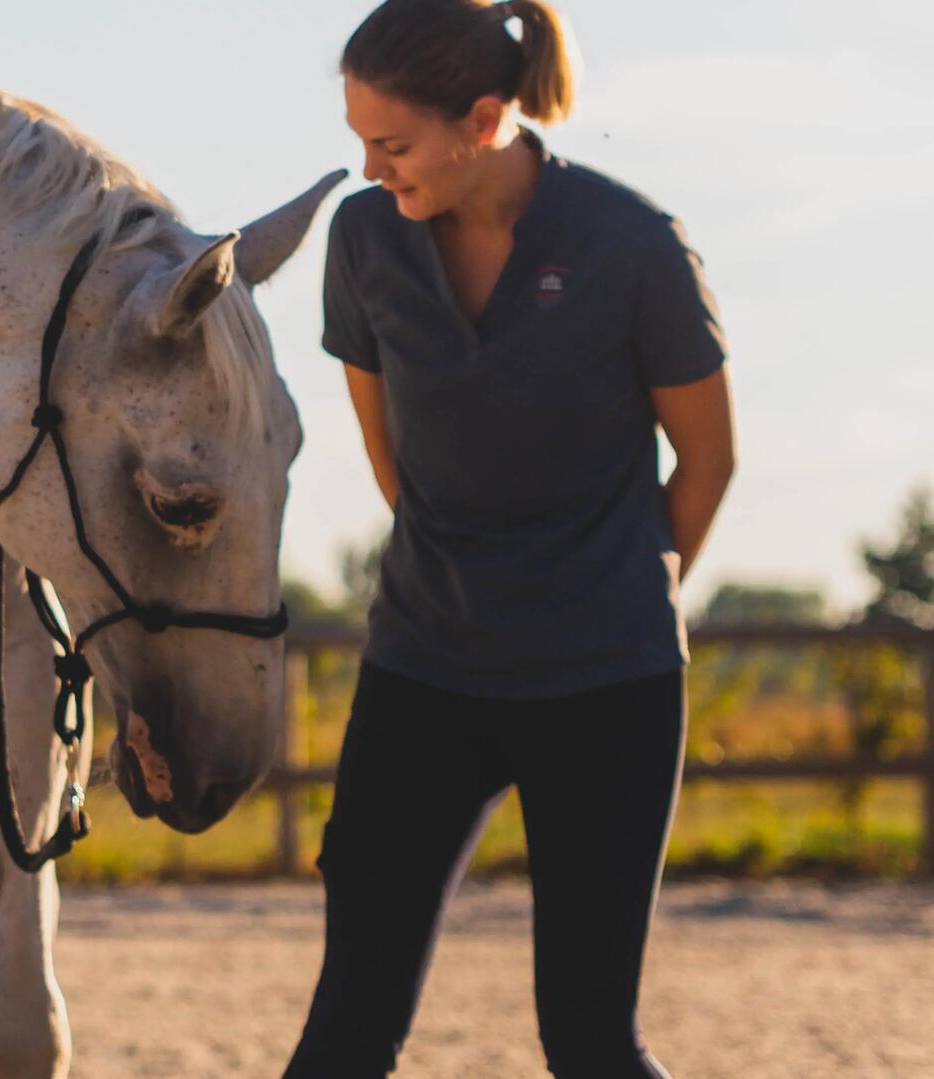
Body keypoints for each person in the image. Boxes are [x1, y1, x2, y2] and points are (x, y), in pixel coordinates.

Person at [284, 1, 735, 1076]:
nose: (370, 167)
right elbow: (393, 456)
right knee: (344, 1030)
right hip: (425, 672)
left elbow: (707, 461)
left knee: (588, 1039)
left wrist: (616, 592)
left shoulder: (634, 246)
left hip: (606, 686)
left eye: (392, 145)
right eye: (357, 138)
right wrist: (467, 584)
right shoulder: (363, 240)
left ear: (484, 118)